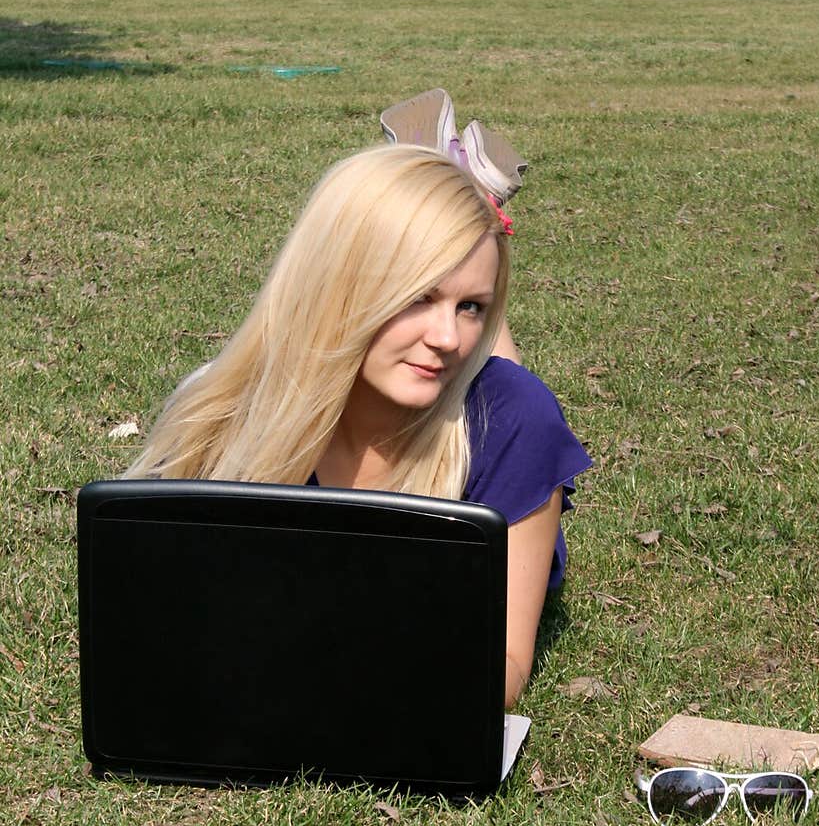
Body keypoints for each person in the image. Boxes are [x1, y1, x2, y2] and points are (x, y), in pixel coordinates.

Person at [126, 143, 591, 707]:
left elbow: (505, 671)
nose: (447, 336)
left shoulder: (516, 424)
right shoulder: (224, 412)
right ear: (339, 285)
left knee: (496, 386)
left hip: (475, 437)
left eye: (472, 307)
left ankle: (462, 192)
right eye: (419, 296)